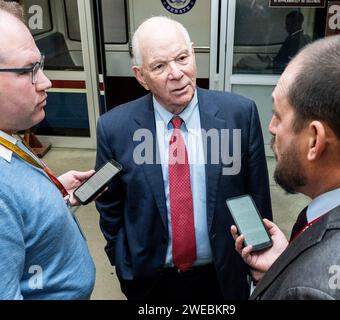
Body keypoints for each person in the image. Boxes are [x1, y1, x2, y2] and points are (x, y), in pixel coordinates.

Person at [95, 16, 272, 301]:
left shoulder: (239, 115)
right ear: (141, 77)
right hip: (151, 281)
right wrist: (121, 257)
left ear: (193, 54)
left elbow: (258, 197)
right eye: (159, 66)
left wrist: (258, 260)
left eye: (182, 57)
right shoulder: (114, 128)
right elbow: (110, 203)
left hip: (223, 277)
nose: (176, 73)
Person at [232, 34, 340, 299]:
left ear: (315, 140)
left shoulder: (316, 290)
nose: (271, 127)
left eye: (278, 115)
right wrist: (285, 264)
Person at [0, 1, 95, 299]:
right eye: (29, 70)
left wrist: (53, 194)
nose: (46, 82)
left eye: (39, 66)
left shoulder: (9, 136)